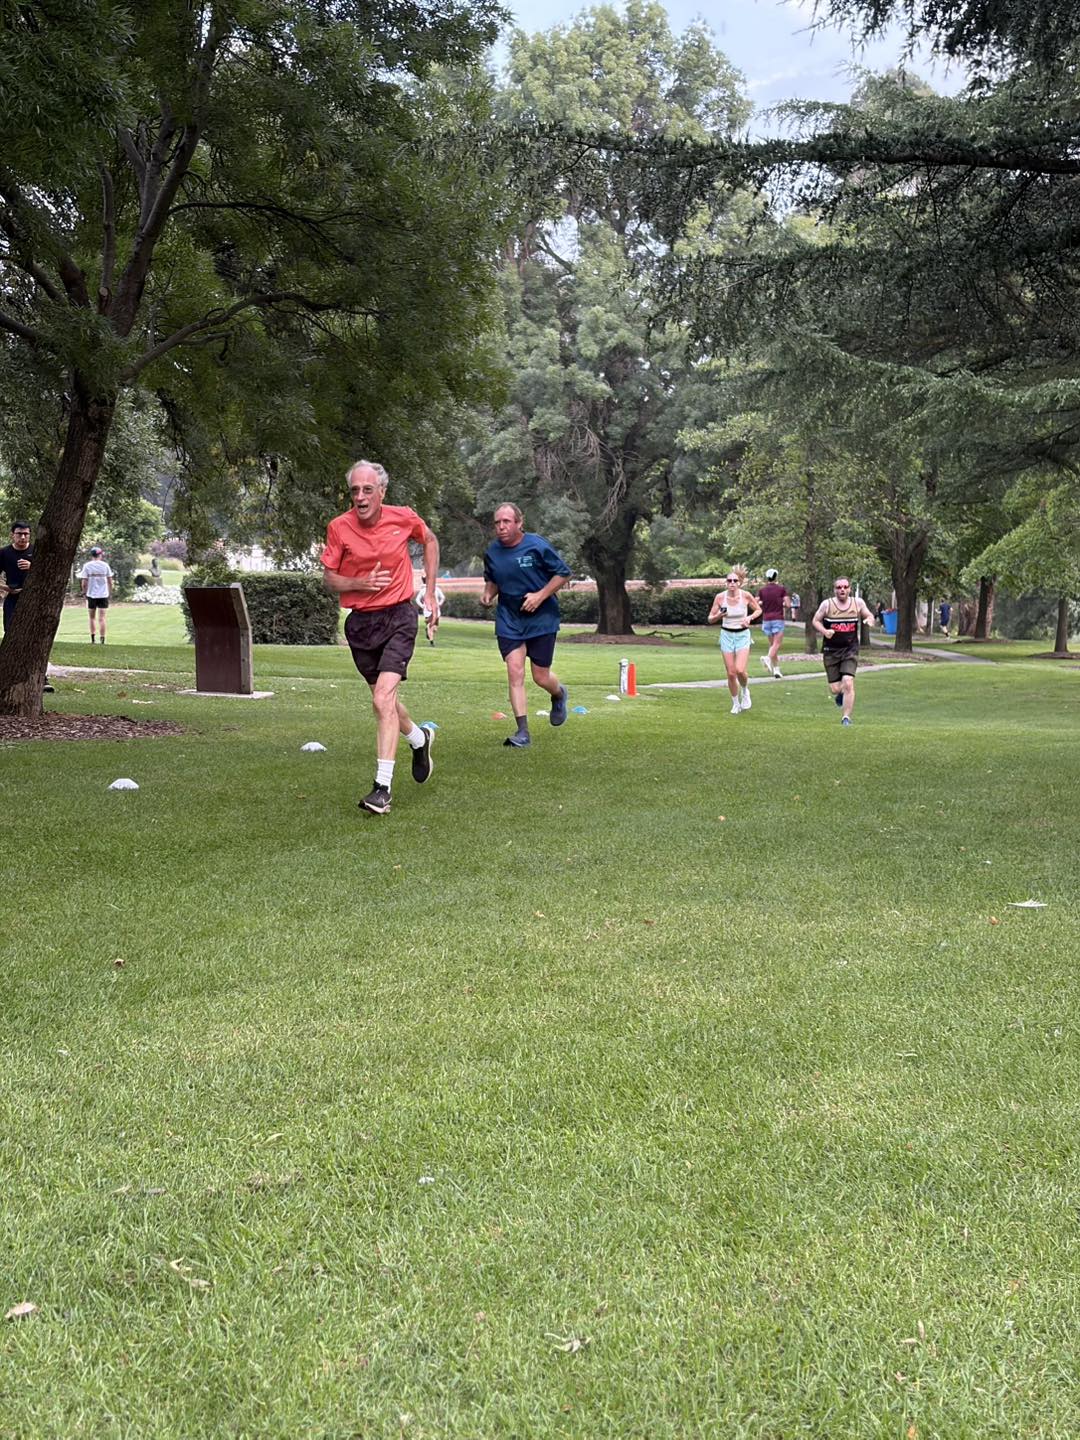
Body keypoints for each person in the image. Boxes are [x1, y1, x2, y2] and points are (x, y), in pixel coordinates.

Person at [321, 461, 440, 816]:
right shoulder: (338, 528)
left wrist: (430, 592)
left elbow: (430, 540)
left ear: (382, 492)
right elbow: (329, 579)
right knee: (382, 700)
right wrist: (358, 583)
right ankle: (419, 740)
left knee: (383, 698)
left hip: (399, 616)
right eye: (355, 490)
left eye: (367, 490)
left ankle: (381, 789)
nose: (360, 496)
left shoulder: (403, 518)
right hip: (360, 624)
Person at [481, 504, 572, 747]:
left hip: (542, 619)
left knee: (540, 677)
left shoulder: (537, 545)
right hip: (510, 619)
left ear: (519, 523)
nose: (501, 526)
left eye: (507, 521)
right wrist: (488, 594)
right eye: (497, 522)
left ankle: (559, 694)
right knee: (515, 671)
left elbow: (562, 573)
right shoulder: (492, 552)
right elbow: (492, 579)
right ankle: (522, 732)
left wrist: (540, 596)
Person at [812, 576, 875, 725]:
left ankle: (846, 717)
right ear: (834, 590)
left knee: (848, 681)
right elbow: (815, 621)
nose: (842, 590)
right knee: (835, 689)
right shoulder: (827, 605)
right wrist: (825, 632)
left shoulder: (857, 603)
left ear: (849, 589)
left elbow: (869, 614)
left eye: (845, 587)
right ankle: (840, 693)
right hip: (831, 650)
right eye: (839, 587)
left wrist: (870, 619)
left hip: (850, 649)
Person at [708, 565, 762, 715]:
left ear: (739, 583)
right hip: (726, 635)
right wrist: (719, 616)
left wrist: (749, 618)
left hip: (743, 635)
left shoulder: (746, 596)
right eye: (729, 580)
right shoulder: (720, 597)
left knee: (740, 670)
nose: (732, 583)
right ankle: (735, 703)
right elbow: (710, 618)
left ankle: (745, 691)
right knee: (731, 673)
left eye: (734, 580)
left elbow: (758, 609)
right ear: (726, 582)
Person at [0, 520, 33, 634]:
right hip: (12, 598)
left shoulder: (37, 551)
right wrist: (6, 588)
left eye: (26, 534)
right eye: (19, 534)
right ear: (12, 535)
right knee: (10, 632)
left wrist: (32, 567)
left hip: (33, 597)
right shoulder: (4, 553)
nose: (23, 537)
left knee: (31, 632)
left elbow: (48, 574)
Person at [757, 566, 790, 677]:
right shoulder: (781, 589)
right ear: (776, 577)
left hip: (766, 619)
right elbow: (788, 604)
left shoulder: (762, 590)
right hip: (778, 618)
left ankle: (776, 670)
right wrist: (782, 603)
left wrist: (763, 604)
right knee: (777, 644)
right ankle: (767, 658)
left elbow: (756, 602)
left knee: (772, 645)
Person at [78, 545, 114, 642]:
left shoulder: (87, 566)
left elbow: (84, 582)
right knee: (102, 618)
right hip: (103, 595)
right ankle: (102, 638)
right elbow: (110, 581)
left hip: (91, 595)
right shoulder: (105, 566)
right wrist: (110, 592)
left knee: (92, 618)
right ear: (100, 555)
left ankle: (93, 638)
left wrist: (84, 593)